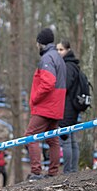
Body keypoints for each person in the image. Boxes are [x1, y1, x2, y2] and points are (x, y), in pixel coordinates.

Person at [25, 28, 66, 180]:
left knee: (30, 136)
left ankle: (36, 172)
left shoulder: (47, 58)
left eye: (37, 43)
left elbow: (49, 83)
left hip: (45, 106)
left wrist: (34, 97)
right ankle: (53, 172)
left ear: (41, 43)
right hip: (56, 105)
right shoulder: (58, 57)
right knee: (52, 139)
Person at [56, 40, 82, 174]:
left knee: (66, 139)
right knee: (71, 139)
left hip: (68, 108)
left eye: (61, 50)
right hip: (71, 106)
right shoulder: (73, 65)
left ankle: (68, 171)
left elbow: (65, 85)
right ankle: (73, 170)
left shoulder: (68, 66)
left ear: (68, 50)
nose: (59, 52)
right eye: (57, 50)